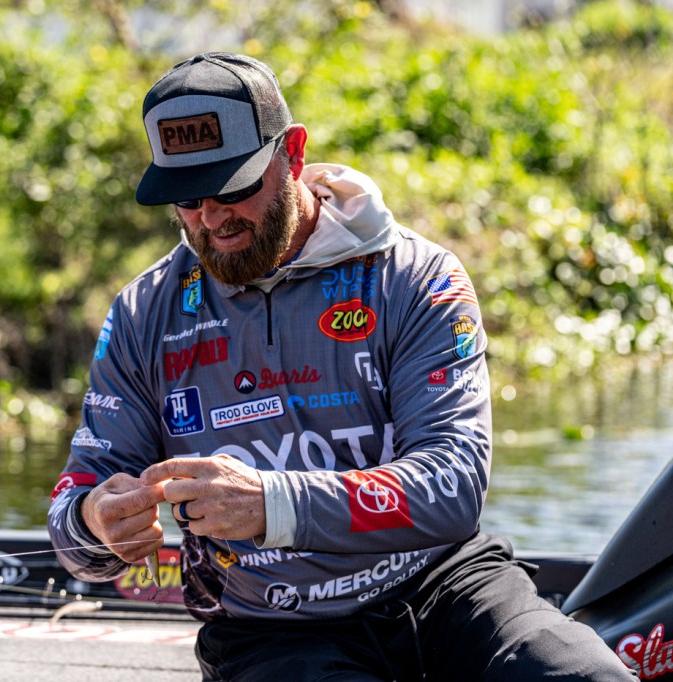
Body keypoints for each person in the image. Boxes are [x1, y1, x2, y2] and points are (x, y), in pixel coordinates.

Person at [47, 52, 634, 681]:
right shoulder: (143, 313)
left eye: (233, 187)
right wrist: (94, 522)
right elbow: (72, 511)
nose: (211, 218)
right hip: (272, 630)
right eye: (185, 198)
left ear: (293, 153)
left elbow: (455, 486)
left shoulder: (419, 277)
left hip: (444, 584)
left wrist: (273, 504)